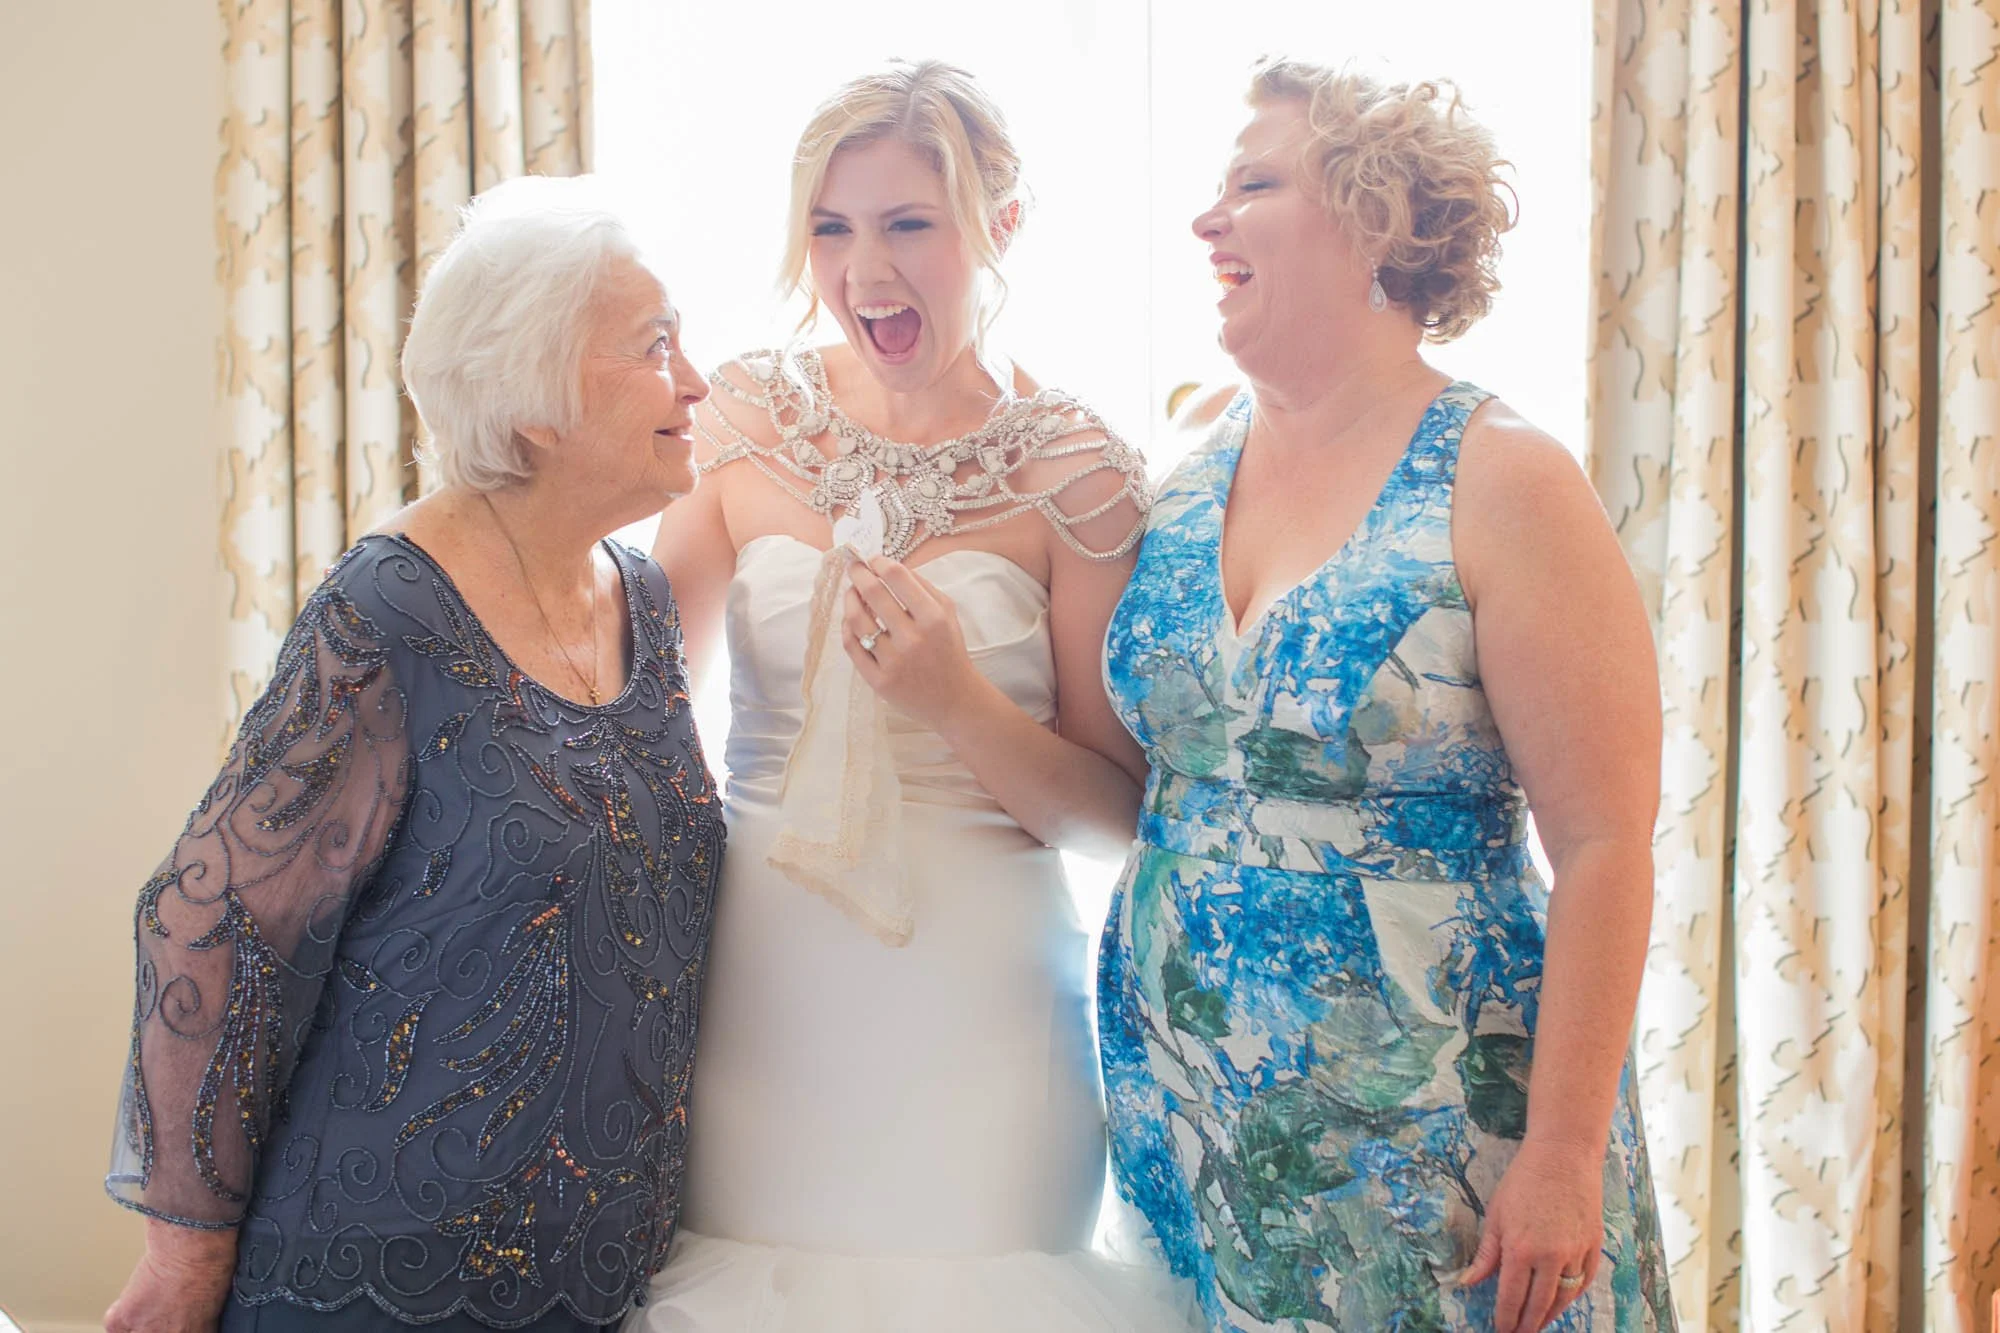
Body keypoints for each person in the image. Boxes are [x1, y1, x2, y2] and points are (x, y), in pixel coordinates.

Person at [1098, 59, 1677, 1333]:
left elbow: (1600, 842)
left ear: (1373, 221)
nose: (1205, 221)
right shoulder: (1191, 471)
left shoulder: (1502, 476)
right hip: (1193, 1115)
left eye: (1251, 183)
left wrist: (1564, 1154)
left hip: (1434, 1127)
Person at [104, 175, 724, 1332]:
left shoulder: (640, 595)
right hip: (374, 1281)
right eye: (653, 346)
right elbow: (209, 917)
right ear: (534, 401)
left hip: (593, 1280)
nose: (695, 380)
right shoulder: (389, 610)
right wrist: (184, 1259)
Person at [633, 59, 1195, 1332]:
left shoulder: (1078, 474)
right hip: (763, 993)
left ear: (997, 226)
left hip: (981, 1005)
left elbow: (1114, 813)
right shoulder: (739, 420)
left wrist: (958, 700)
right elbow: (641, 711)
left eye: (905, 224)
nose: (861, 270)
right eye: (830, 228)